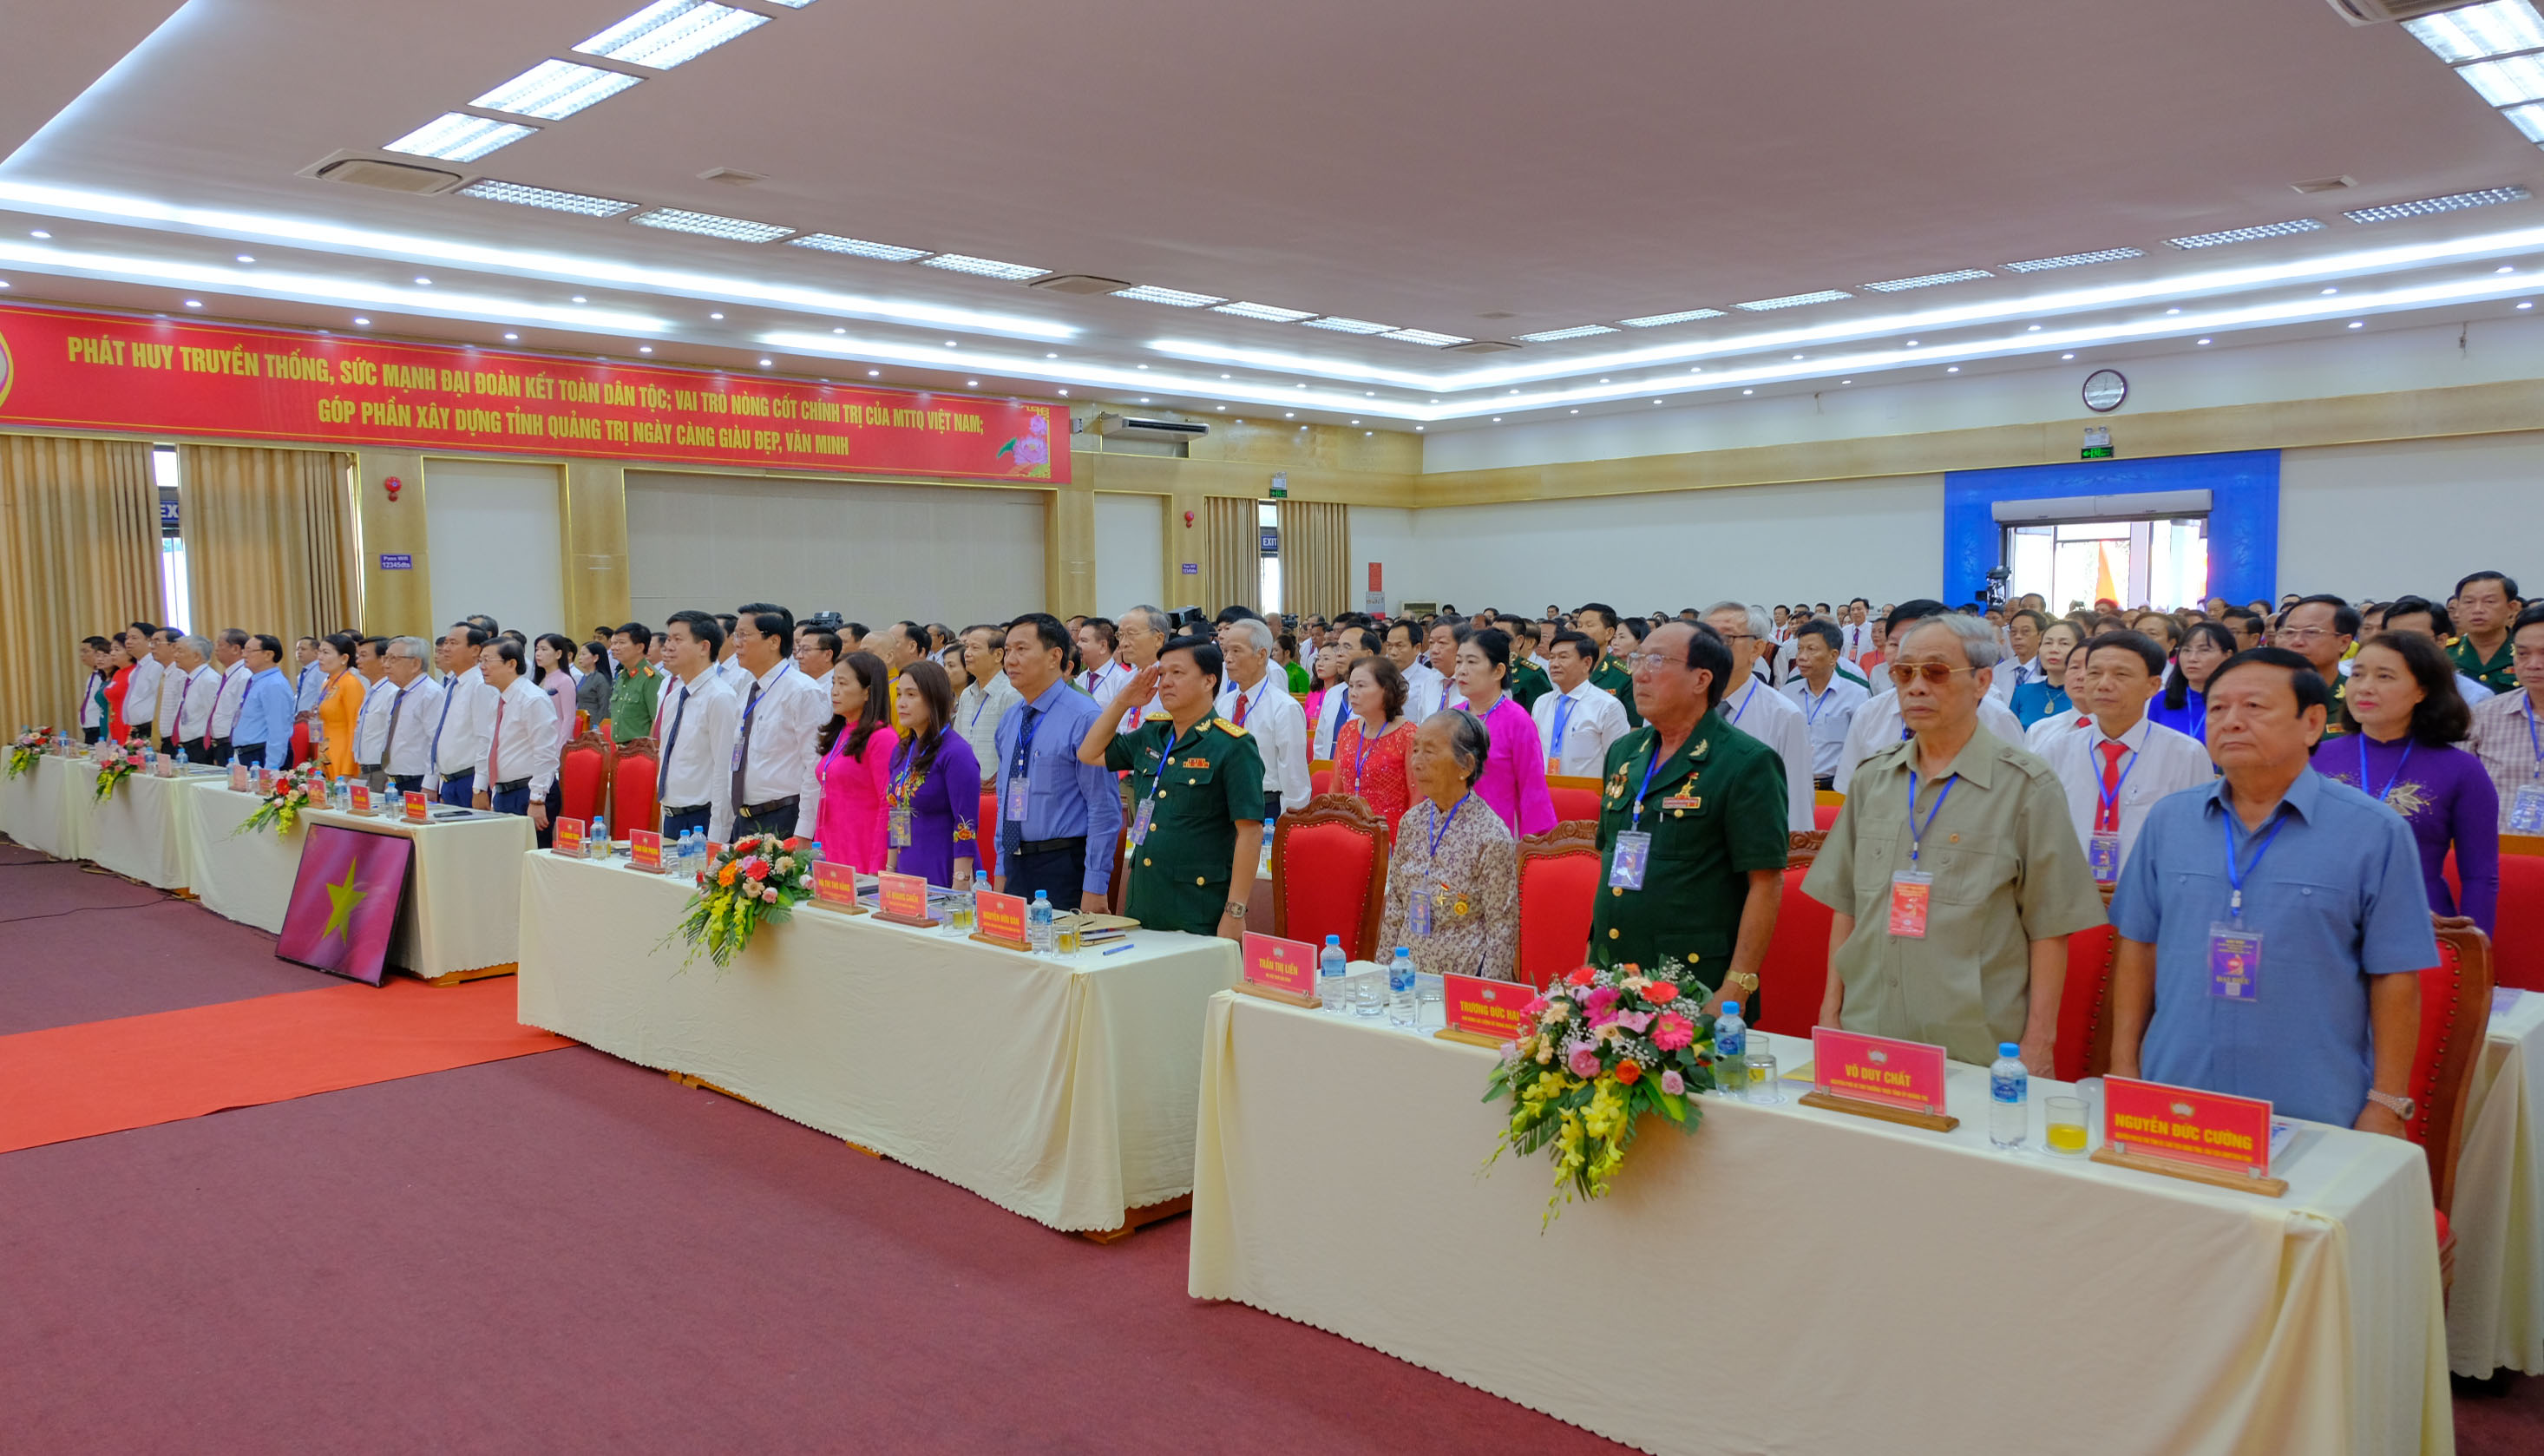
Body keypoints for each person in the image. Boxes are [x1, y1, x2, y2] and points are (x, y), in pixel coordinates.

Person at [2108, 647, 2436, 1132]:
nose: (2231, 722)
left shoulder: (2373, 832)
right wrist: (2124, 1066)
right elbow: (2139, 946)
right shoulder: (2169, 820)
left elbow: (2395, 978)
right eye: (2218, 708)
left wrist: (2386, 1101)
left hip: (2313, 1101)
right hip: (2175, 1089)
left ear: (2313, 722)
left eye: (2254, 707)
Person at [1805, 614, 2105, 1071]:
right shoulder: (1873, 780)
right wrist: (1831, 1010)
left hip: (1975, 1043)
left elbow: (2050, 926)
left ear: (1983, 681)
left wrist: (2040, 1042)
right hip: (1869, 1028)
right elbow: (1845, 905)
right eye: (1905, 673)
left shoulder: (2027, 787)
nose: (1916, 687)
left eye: (1937, 672)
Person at [1585, 621, 1787, 1014]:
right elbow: (1609, 859)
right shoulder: (1624, 751)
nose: (1638, 672)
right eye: (1639, 658)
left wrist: (1738, 985)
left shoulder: (1746, 763)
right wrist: (1592, 958)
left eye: (1657, 661)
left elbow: (1765, 882)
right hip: (1613, 972)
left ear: (1701, 679)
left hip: (1695, 984)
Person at [1080, 637, 1264, 937]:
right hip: (1146, 902)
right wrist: (1122, 701)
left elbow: (1250, 832)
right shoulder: (1153, 733)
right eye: (1162, 674)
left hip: (1197, 907)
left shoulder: (1232, 746)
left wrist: (1235, 911)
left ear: (1209, 681)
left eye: (1177, 674)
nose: (1166, 682)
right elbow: (1089, 753)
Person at [2319, 633, 2497, 932]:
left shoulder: (2461, 769)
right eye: (2358, 674)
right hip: (2326, 924)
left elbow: (2480, 876)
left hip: (2421, 927)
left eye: (2384, 677)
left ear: (2421, 691)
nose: (2365, 687)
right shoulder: (2315, 759)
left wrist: (2475, 951)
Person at [2039, 632, 2214, 886]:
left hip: (2150, 902)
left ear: (2153, 686)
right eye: (2095, 673)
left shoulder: (2185, 754)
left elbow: (2198, 840)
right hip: (2070, 901)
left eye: (2121, 675)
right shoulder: (2057, 750)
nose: (2104, 684)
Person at [1375, 712, 1519, 980]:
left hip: (1462, 978)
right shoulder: (1412, 822)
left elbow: (1502, 929)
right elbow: (1395, 905)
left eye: (1429, 752)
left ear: (1465, 766)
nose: (1416, 762)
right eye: (1415, 750)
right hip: (1407, 975)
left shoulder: (1491, 835)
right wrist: (1383, 972)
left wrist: (1484, 996)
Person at [994, 613, 1124, 911]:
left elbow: (1103, 808)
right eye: (1007, 650)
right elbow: (1005, 799)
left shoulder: (1085, 717)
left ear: (1054, 656)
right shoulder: (1011, 719)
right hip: (1015, 863)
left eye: (1022, 649)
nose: (1010, 660)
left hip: (1065, 865)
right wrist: (1001, 867)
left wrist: (1095, 885)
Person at [1833, 602, 2027, 793]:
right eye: (1894, 643)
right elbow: (1851, 792)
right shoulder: (1870, 714)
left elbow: (2017, 798)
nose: (1904, 653)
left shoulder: (1994, 717)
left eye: (1919, 643)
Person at [713, 609, 829, 842]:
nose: (737, 644)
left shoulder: (803, 692)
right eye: (735, 636)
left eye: (744, 635)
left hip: (784, 818)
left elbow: (815, 767)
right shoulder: (749, 690)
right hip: (744, 820)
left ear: (774, 641)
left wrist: (804, 832)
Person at [1704, 603, 1813, 832]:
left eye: (1725, 638)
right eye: (1703, 637)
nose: (1709, 648)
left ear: (1756, 649)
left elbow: (1797, 803)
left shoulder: (1783, 715)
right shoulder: (1680, 704)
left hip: (1752, 845)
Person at [1440, 626, 1557, 837]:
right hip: (1450, 832)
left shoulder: (1518, 721)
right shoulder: (1451, 718)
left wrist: (1532, 846)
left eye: (1472, 662)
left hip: (1496, 836)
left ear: (1498, 671)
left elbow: (1532, 788)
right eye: (1459, 661)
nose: (1461, 671)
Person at [882, 658, 981, 888]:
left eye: (911, 695)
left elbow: (965, 824)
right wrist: (891, 870)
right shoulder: (901, 750)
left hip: (945, 869)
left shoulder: (956, 753)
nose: (901, 704)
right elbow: (896, 813)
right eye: (899, 695)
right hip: (907, 866)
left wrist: (960, 885)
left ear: (934, 698)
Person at [652, 611, 737, 841]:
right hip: (672, 815)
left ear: (704, 647)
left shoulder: (720, 697)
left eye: (678, 640)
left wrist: (718, 834)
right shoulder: (675, 696)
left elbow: (724, 771)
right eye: (668, 639)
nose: (668, 646)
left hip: (703, 819)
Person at [1216, 616, 1312, 817]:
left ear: (1261, 656)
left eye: (1236, 651)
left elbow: (1294, 778)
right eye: (1225, 651)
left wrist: (1289, 825)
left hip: (1265, 806)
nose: (1227, 659)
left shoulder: (1284, 708)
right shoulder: (1225, 703)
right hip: (1223, 802)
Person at [812, 652, 896, 875]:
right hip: (830, 848)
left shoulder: (882, 737)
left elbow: (888, 805)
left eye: (843, 683)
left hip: (862, 853)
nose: (834, 691)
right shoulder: (840, 731)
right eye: (833, 683)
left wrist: (879, 866)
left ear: (867, 691)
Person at [2470, 603, 2544, 831]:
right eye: (2523, 654)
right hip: (2502, 853)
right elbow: (2460, 788)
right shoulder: (2485, 715)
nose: (2533, 665)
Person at [472, 639, 557, 827]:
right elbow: (489, 745)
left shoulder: (533, 699)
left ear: (511, 664)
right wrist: (481, 787)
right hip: (503, 792)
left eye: (487, 660)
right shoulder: (497, 699)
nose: (482, 667)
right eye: (480, 661)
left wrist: (537, 799)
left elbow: (546, 753)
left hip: (528, 793)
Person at [1779, 619, 1868, 791]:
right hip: (1793, 786)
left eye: (1811, 650)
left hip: (1837, 788)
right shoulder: (1787, 693)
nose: (1801, 657)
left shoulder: (1856, 695)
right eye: (1800, 649)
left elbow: (1863, 747)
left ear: (1833, 656)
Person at [1332, 653, 1416, 834]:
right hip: (1348, 833)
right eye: (1351, 686)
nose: (1352, 693)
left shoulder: (1409, 735)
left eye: (1361, 686)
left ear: (1387, 689)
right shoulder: (1347, 731)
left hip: (1391, 837)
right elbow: (1336, 790)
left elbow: (1417, 799)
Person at [1533, 628, 1631, 778]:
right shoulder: (1542, 703)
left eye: (1563, 657)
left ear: (1586, 663)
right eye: (1552, 657)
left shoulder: (1607, 706)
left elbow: (1619, 761)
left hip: (1589, 796)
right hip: (1545, 793)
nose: (1554, 664)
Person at [2378, 595, 2495, 704]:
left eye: (2414, 638)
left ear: (2441, 641)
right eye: (2393, 638)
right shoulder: (2371, 690)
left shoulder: (2473, 697)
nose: (2402, 646)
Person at [423, 624, 492, 805]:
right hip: (448, 781)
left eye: (453, 643)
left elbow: (485, 739)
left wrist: (480, 787)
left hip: (469, 781)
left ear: (475, 650)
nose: (445, 648)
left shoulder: (480, 685)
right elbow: (439, 736)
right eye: (445, 642)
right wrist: (432, 781)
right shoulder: (452, 684)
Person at [2272, 595, 2357, 732]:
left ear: (2344, 642)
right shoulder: (2259, 697)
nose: (2297, 641)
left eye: (2311, 632)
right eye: (2289, 632)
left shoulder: (2357, 699)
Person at [953, 623, 1022, 786]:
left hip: (995, 791)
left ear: (998, 655)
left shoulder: (1011, 694)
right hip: (966, 785)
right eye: (966, 647)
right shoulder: (966, 694)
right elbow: (957, 741)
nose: (967, 654)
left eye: (975, 648)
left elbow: (1016, 749)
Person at [2148, 620, 2235, 740]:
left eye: (2204, 650)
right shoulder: (2161, 700)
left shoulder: (2239, 702)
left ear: (2227, 655)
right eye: (2186, 650)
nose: (2192, 658)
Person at [378, 637, 443, 795]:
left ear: (415, 664)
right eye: (385, 658)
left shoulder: (431, 693)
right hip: (396, 781)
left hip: (418, 781)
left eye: (393, 659)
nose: (386, 665)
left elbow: (435, 743)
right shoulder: (398, 693)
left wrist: (430, 784)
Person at [2449, 571, 2522, 694]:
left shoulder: (2527, 653)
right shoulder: (2444, 654)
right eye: (2469, 602)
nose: (2478, 610)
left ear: (2512, 608)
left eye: (2490, 601)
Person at [230, 635, 295, 769]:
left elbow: (278, 730)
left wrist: (272, 767)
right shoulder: (257, 681)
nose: (244, 655)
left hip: (262, 755)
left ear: (268, 655)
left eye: (249, 651)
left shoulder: (274, 684)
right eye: (244, 651)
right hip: (248, 754)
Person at [311, 633, 365, 779]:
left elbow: (354, 727)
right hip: (325, 751)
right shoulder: (327, 683)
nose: (320, 657)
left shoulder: (351, 684)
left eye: (326, 652)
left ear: (344, 658)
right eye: (319, 652)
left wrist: (348, 768)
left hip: (342, 754)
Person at [2009, 620, 2081, 727]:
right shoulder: (2023, 692)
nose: (2053, 649)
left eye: (2064, 643)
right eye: (2048, 643)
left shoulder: (2085, 697)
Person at [201, 630, 252, 764]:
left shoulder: (244, 675)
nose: (216, 648)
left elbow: (243, 713)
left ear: (235, 649)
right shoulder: (230, 675)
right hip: (220, 743)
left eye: (220, 644)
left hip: (233, 744)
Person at [604, 624, 659, 744]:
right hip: (619, 750)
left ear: (639, 647)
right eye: (613, 643)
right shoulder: (622, 675)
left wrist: (649, 751)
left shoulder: (651, 677)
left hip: (640, 752)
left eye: (621, 643)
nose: (614, 648)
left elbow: (657, 719)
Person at [1306, 636, 1354, 761]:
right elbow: (1319, 741)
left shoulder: (1353, 693)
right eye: (1318, 659)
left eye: (1326, 659)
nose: (1320, 663)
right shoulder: (1317, 693)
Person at [1387, 619, 1446, 721]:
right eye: (1389, 646)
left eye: (1399, 646)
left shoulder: (1430, 680)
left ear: (1417, 648)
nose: (1393, 652)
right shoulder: (1380, 677)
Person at [1990, 610, 2049, 703]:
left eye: (2025, 632)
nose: (2017, 637)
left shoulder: (2049, 671)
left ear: (2041, 636)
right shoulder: (2000, 670)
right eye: (2013, 632)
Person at [123, 622, 164, 745]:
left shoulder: (156, 666)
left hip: (150, 729)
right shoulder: (135, 670)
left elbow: (161, 701)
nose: (128, 642)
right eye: (127, 638)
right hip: (135, 729)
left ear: (149, 641)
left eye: (134, 638)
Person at [1078, 618, 1129, 706]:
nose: (1078, 645)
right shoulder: (1080, 679)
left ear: (1103, 646)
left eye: (1083, 641)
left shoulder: (1122, 681)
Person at [574, 639, 613, 737]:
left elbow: (605, 705)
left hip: (594, 726)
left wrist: (599, 728)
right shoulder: (586, 676)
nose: (580, 658)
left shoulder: (600, 678)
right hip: (582, 723)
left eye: (583, 654)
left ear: (595, 658)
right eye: (580, 654)